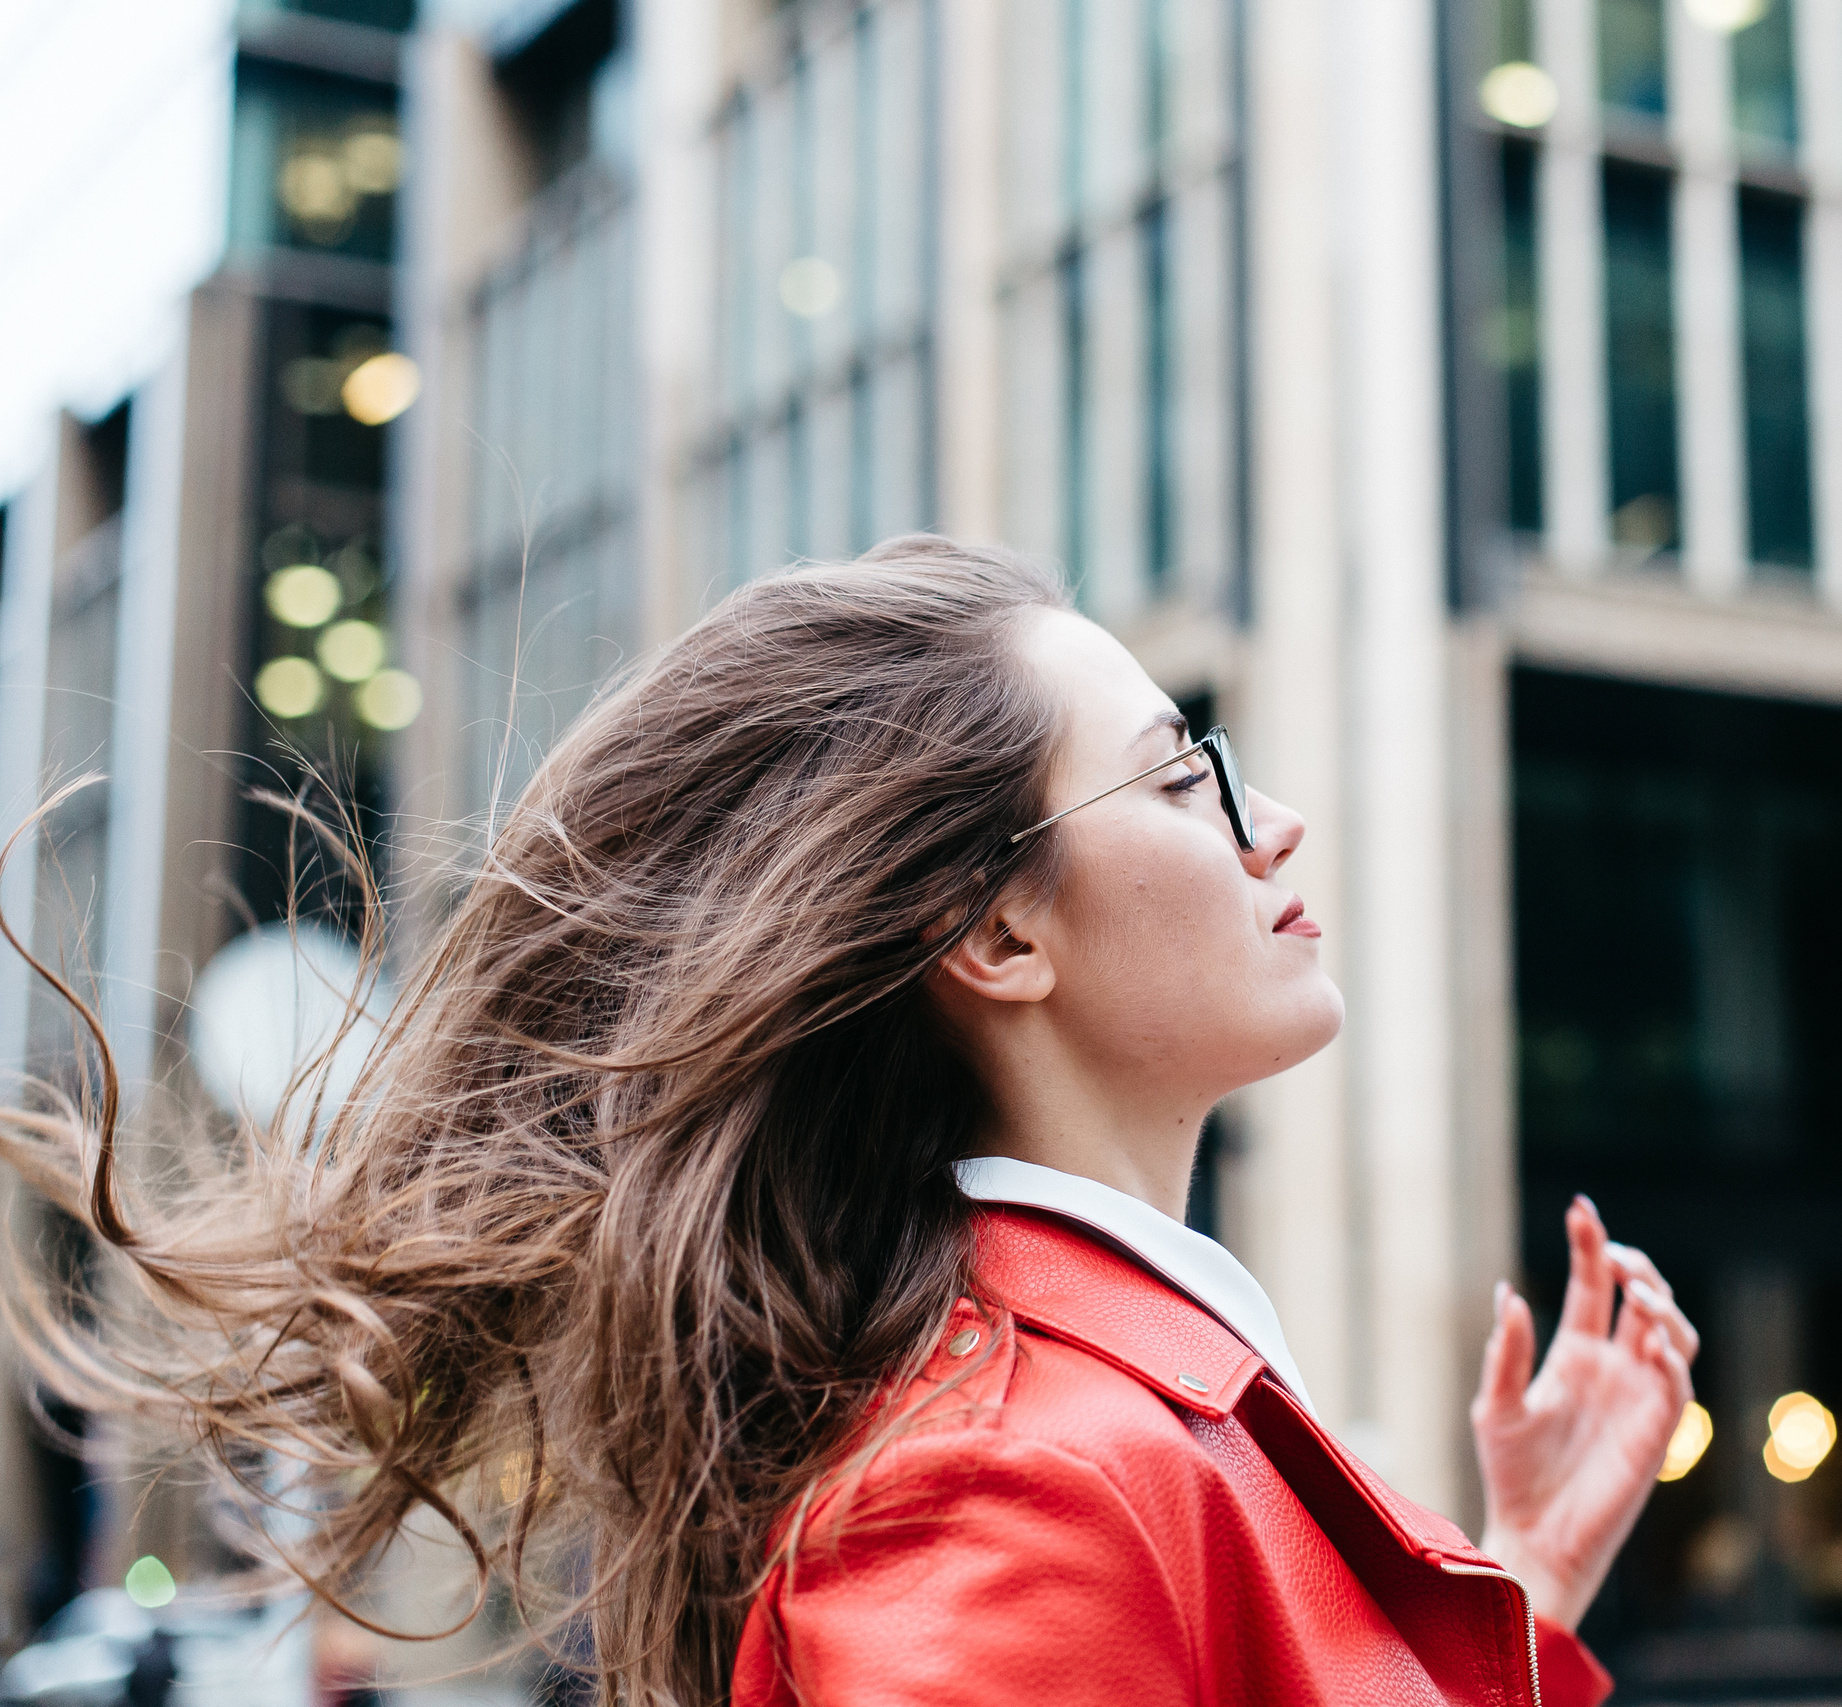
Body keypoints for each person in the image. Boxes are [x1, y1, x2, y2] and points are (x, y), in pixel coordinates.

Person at [0, 537, 1694, 1706]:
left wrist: (1526, 1579)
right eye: (1184, 776)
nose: (1279, 823)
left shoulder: (1095, 1423)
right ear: (995, 935)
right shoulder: (1006, 1486)